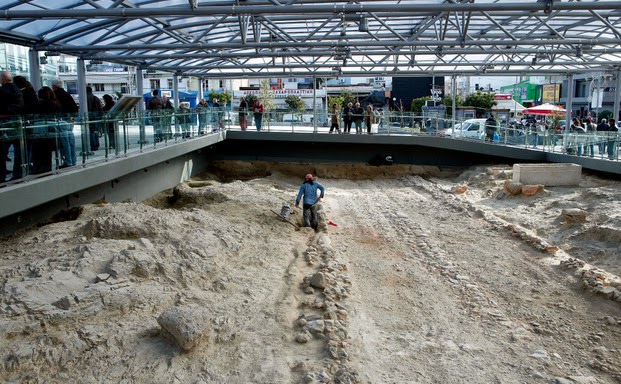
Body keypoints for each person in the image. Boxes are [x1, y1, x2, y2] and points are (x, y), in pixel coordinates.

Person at [0, 71, 25, 182]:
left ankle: (1, 176)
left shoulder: (2, 91)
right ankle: (18, 174)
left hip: (5, 124)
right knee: (19, 151)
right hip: (17, 123)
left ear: (3, 80)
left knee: (1, 152)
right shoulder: (18, 91)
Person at [13, 76, 39, 178]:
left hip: (23, 125)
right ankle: (27, 168)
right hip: (30, 124)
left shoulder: (21, 95)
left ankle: (20, 172)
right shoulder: (32, 94)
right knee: (28, 148)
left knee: (21, 150)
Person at [35, 86, 62, 174]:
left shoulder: (42, 104)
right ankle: (48, 167)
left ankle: (43, 168)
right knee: (48, 151)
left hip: (43, 129)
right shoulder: (56, 103)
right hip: (54, 128)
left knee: (42, 150)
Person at [52, 79, 77, 167]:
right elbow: (75, 108)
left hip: (62, 120)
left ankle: (67, 161)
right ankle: (73, 160)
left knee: (64, 142)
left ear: (54, 86)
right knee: (70, 140)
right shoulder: (67, 94)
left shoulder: (56, 96)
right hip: (69, 119)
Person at [86, 86, 103, 152]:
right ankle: (96, 144)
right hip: (96, 116)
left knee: (91, 131)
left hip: (89, 116)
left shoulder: (85, 98)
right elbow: (100, 108)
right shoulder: (96, 98)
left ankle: (93, 145)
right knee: (96, 131)